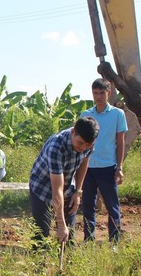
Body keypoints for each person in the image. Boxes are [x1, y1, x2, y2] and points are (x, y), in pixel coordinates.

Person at [28, 117, 99, 245]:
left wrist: (78, 192)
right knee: (42, 234)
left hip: (67, 187)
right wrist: (60, 225)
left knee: (68, 235)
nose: (84, 148)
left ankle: (67, 262)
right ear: (73, 132)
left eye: (88, 145)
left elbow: (84, 162)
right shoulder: (56, 146)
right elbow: (57, 190)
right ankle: (39, 263)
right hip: (42, 187)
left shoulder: (88, 143)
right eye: (80, 143)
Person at [80, 78, 127, 243]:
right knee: (87, 206)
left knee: (112, 206)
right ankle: (89, 240)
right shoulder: (86, 115)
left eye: (102, 93)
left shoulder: (117, 114)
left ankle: (114, 241)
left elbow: (120, 142)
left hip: (107, 166)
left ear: (109, 93)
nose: (98, 96)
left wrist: (119, 166)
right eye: (95, 93)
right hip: (87, 167)